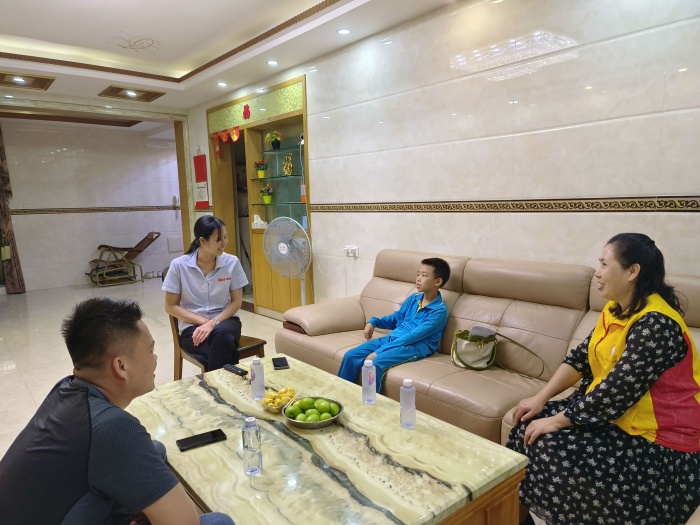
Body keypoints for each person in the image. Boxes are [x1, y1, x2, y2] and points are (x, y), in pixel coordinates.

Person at [507, 233, 700, 525]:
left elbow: (616, 392)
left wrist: (556, 420)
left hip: (659, 439)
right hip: (617, 416)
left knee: (548, 444)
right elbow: (581, 359)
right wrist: (541, 397)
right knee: (525, 424)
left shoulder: (656, 323)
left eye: (604, 264)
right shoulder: (616, 309)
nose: (597, 273)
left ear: (632, 272)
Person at [0, 297, 234, 525]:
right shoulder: (113, 428)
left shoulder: (66, 388)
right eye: (150, 351)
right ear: (121, 366)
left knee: (156, 450)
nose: (155, 358)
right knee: (219, 521)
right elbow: (186, 522)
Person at [338, 257, 451, 393]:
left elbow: (414, 336)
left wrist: (379, 352)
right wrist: (373, 322)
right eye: (418, 274)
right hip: (394, 338)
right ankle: (342, 396)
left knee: (374, 364)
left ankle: (371, 404)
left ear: (438, 282)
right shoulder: (414, 298)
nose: (418, 279)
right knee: (351, 356)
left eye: (424, 275)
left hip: (414, 346)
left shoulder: (439, 311)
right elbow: (397, 318)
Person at [163, 215, 248, 371]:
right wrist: (204, 322)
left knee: (221, 337)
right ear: (202, 241)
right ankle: (226, 383)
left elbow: (237, 302)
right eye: (219, 239)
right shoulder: (179, 266)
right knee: (224, 345)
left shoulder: (232, 262)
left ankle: (213, 384)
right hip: (192, 327)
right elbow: (170, 306)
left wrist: (212, 323)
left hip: (225, 322)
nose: (224, 243)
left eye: (225, 237)